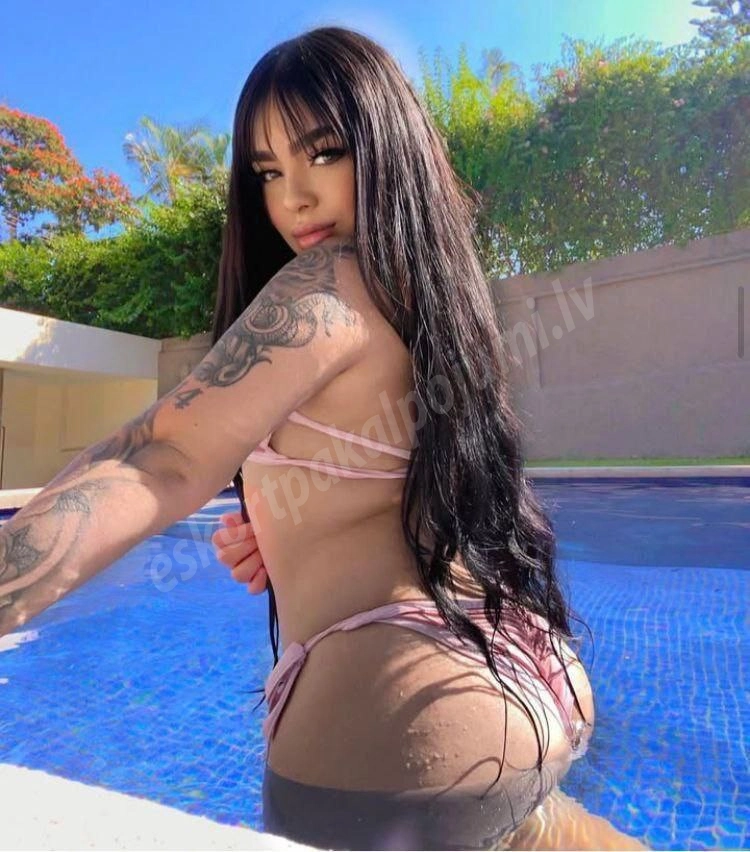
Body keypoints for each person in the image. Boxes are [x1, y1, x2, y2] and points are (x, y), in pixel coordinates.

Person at [0, 26, 646, 851]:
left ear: (386, 143)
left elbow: (161, 457)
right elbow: (408, 493)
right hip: (508, 669)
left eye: (324, 153)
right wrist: (291, 527)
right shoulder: (438, 300)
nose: (292, 199)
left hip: (393, 731)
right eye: (268, 172)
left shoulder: (327, 280)